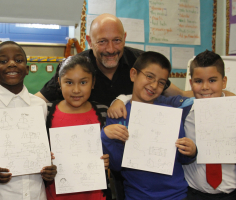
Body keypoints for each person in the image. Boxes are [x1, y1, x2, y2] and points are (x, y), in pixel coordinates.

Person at [35, 13, 193, 107]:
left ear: (124, 38)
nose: (111, 49)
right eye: (102, 41)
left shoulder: (142, 62)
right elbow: (38, 100)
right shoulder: (74, 67)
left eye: (116, 40)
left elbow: (180, 94)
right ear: (89, 41)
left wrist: (212, 92)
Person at [101, 51, 197, 200]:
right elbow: (116, 166)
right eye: (149, 76)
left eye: (161, 82)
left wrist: (191, 151)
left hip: (176, 195)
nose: (153, 85)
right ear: (133, 74)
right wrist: (106, 136)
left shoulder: (170, 113)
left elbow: (181, 158)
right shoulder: (118, 115)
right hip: (137, 195)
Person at [0, 41, 57, 199]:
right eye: (3, 61)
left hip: (37, 193)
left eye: (18, 60)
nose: (11, 64)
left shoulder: (40, 105)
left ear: (28, 69)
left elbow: (44, 148)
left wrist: (50, 168)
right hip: (3, 194)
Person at [45, 55, 110, 200]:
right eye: (69, 82)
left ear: (93, 83)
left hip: (95, 195)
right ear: (59, 83)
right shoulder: (46, 112)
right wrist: (43, 159)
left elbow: (113, 150)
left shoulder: (104, 112)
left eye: (83, 82)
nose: (76, 90)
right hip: (55, 195)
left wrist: (108, 159)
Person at [182, 50, 236, 199]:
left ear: (223, 82)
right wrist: (121, 99)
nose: (205, 87)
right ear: (191, 83)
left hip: (231, 192)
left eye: (212, 80)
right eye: (199, 81)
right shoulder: (184, 114)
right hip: (194, 192)